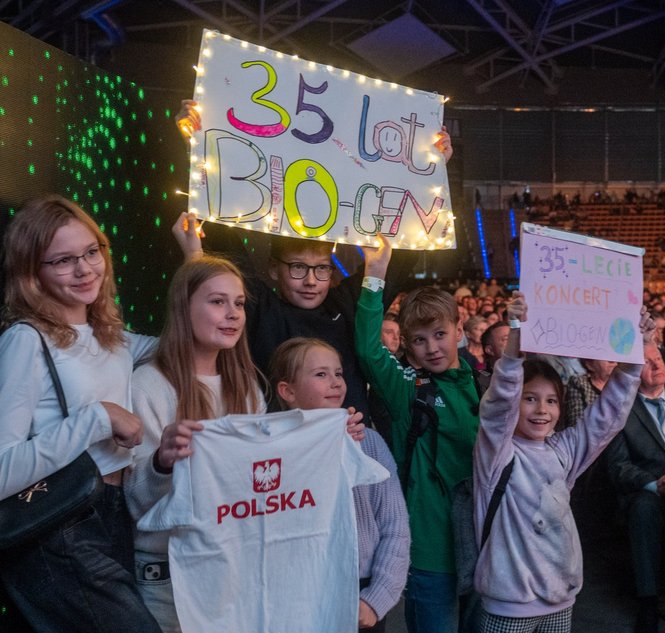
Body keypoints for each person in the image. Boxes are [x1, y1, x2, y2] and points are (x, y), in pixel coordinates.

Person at [173, 102, 452, 413]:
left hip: (350, 442)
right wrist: (197, 148)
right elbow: (225, 235)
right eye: (297, 267)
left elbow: (399, 250)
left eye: (321, 269)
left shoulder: (348, 307)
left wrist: (432, 171)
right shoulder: (258, 307)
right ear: (273, 269)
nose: (310, 280)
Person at [0, 194, 162, 632]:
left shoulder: (110, 336)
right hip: (60, 524)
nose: (85, 268)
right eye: (63, 260)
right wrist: (98, 416)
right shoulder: (25, 340)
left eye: (92, 252)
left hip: (115, 512)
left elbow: (187, 343)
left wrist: (195, 258)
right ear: (32, 272)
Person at [472, 292, 652, 633]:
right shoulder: (496, 452)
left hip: (561, 599)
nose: (542, 410)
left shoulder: (563, 450)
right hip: (509, 604)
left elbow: (608, 416)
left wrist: (633, 357)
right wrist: (514, 346)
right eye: (530, 399)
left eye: (552, 400)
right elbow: (499, 406)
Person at [124, 255, 267, 631]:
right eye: (217, 302)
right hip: (166, 576)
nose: (233, 313)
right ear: (183, 307)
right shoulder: (149, 385)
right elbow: (134, 501)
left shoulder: (248, 389)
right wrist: (161, 463)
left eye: (238, 303)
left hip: (231, 567)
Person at [354, 236, 480, 633]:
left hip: (485, 543)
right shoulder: (407, 386)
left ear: (459, 330)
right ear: (406, 345)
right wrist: (374, 275)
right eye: (419, 340)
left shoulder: (485, 383)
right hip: (428, 551)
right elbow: (370, 350)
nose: (432, 347)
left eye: (440, 334)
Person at [270, 337, 410, 632]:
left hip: (361, 594)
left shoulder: (369, 443)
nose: (335, 383)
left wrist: (376, 599)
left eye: (338, 373)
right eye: (321, 374)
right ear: (288, 391)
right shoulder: (271, 452)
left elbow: (395, 526)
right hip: (296, 597)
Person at [603, 341, 665, 633]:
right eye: (646, 362)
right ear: (631, 369)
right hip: (652, 491)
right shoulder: (621, 408)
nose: (657, 365)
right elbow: (618, 466)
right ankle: (648, 598)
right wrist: (655, 485)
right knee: (643, 509)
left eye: (658, 358)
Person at [563, 357, 618, 429]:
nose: (612, 360)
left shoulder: (622, 384)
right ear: (589, 364)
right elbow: (576, 424)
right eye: (605, 355)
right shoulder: (579, 383)